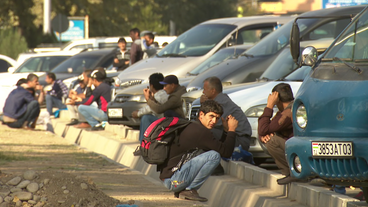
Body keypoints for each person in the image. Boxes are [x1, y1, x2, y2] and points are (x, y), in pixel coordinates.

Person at [159, 100, 238, 202]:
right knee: (214, 156)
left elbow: (220, 148)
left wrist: (226, 131)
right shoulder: (201, 132)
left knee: (213, 153)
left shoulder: (194, 127)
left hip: (171, 180)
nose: (214, 121)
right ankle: (190, 189)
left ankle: (187, 190)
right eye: (211, 116)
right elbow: (226, 153)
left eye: (217, 118)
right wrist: (232, 130)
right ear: (201, 115)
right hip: (174, 181)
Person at [200, 76, 252, 175]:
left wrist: (204, 104)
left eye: (205, 89)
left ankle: (212, 164)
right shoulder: (219, 101)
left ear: (213, 91)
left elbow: (208, 124)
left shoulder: (221, 103)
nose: (203, 92)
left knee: (204, 133)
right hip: (234, 136)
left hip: (240, 140)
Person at [258, 83, 296, 185]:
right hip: (295, 149)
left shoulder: (288, 112)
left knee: (271, 141)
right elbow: (265, 130)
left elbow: (262, 129)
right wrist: (263, 135)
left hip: (297, 150)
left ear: (277, 99)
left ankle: (291, 172)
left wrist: (269, 106)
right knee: (267, 137)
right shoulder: (290, 108)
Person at [131, 73, 169, 142]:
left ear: (151, 86)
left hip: (164, 122)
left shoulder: (160, 95)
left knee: (146, 118)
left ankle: (143, 143)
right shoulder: (163, 94)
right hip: (164, 120)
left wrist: (137, 113)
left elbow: (149, 109)